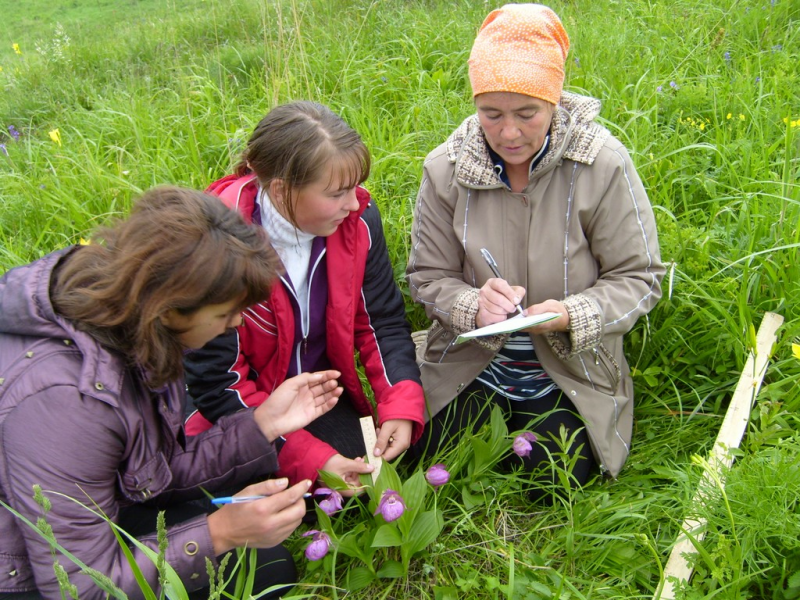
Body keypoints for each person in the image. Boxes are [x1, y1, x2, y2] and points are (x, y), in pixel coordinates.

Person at [0, 187, 344, 600]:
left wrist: (261, 424)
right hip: (26, 572)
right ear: (169, 308)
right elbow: (81, 587)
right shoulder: (69, 404)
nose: (237, 322)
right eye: (224, 313)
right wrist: (220, 532)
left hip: (94, 513)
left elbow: (147, 471)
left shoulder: (131, 326)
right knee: (257, 571)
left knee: (263, 561)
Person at [406, 4, 665, 494]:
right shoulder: (445, 169)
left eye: (528, 113)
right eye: (491, 114)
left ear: (554, 100)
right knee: (439, 461)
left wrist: (573, 314)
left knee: (557, 478)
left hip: (571, 364)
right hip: (471, 360)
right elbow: (426, 275)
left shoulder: (601, 164)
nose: (509, 132)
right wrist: (472, 305)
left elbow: (640, 277)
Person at [183, 101, 426, 492]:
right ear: (281, 190)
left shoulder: (358, 222)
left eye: (354, 187)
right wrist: (311, 458)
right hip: (241, 408)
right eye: (336, 193)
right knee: (318, 485)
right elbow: (217, 383)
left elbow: (381, 321)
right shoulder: (215, 245)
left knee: (397, 457)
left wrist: (399, 403)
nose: (353, 203)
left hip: (314, 394)